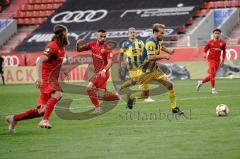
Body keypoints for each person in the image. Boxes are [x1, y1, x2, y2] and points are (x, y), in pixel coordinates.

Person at [6, 25, 69, 132]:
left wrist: (63, 72)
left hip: (52, 79)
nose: (68, 34)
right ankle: (45, 121)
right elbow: (39, 60)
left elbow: (56, 63)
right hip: (46, 79)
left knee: (42, 111)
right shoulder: (53, 46)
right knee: (58, 94)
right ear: (63, 33)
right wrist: (39, 78)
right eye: (67, 32)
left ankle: (13, 118)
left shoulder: (62, 47)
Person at [119, 23, 184, 115]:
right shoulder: (150, 42)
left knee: (170, 85)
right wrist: (164, 56)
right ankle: (132, 97)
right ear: (155, 33)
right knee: (145, 95)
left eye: (163, 33)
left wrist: (169, 51)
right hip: (145, 71)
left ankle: (174, 108)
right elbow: (150, 57)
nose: (163, 35)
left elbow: (161, 46)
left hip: (154, 69)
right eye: (161, 33)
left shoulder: (158, 41)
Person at [76, 29, 120, 112]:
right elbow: (79, 50)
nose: (103, 38)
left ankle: (97, 107)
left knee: (89, 88)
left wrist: (103, 70)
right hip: (97, 73)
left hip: (103, 73)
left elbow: (110, 63)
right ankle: (117, 97)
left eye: (104, 37)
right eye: (101, 36)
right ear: (97, 36)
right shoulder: (92, 44)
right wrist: (77, 43)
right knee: (102, 95)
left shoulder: (107, 48)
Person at [120, 27, 155, 102]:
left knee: (139, 80)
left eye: (134, 32)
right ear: (128, 34)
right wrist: (122, 63)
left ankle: (146, 97)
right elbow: (122, 54)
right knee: (136, 81)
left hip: (140, 65)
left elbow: (144, 53)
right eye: (131, 33)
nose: (132, 34)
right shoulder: (125, 43)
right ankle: (146, 97)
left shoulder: (140, 42)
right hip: (131, 66)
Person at [196, 28, 226, 94]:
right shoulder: (210, 42)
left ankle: (200, 82)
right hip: (210, 59)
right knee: (212, 74)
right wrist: (204, 53)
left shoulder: (223, 43)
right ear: (213, 34)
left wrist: (223, 60)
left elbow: (224, 52)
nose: (217, 34)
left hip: (217, 60)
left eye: (218, 33)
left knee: (212, 76)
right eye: (215, 33)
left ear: (220, 34)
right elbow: (205, 49)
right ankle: (213, 89)